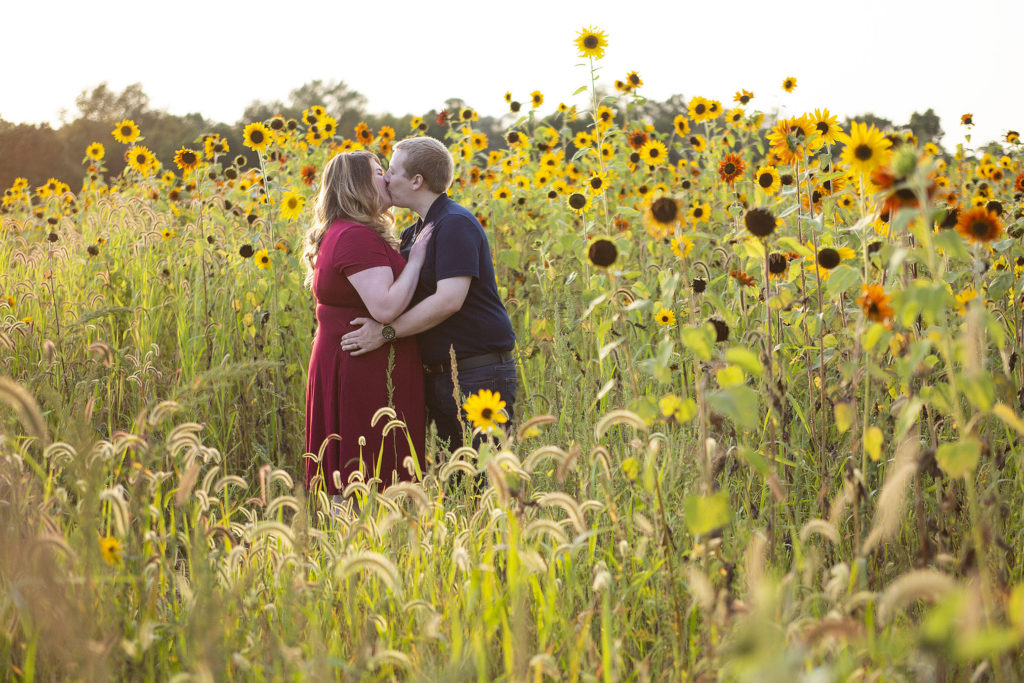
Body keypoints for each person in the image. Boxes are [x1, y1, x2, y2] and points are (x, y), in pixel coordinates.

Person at [340, 136, 517, 452]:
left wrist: (385, 333)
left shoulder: (454, 223)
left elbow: (449, 300)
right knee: (457, 485)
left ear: (416, 180)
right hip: (441, 375)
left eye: (392, 170)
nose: (386, 178)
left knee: (487, 478)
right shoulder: (415, 231)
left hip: (477, 373)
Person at [303, 150, 433, 498]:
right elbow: (386, 306)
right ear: (358, 184)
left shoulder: (340, 231)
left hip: (353, 361)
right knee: (368, 472)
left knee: (353, 476)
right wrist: (416, 261)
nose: (387, 178)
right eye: (379, 172)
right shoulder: (356, 237)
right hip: (365, 369)